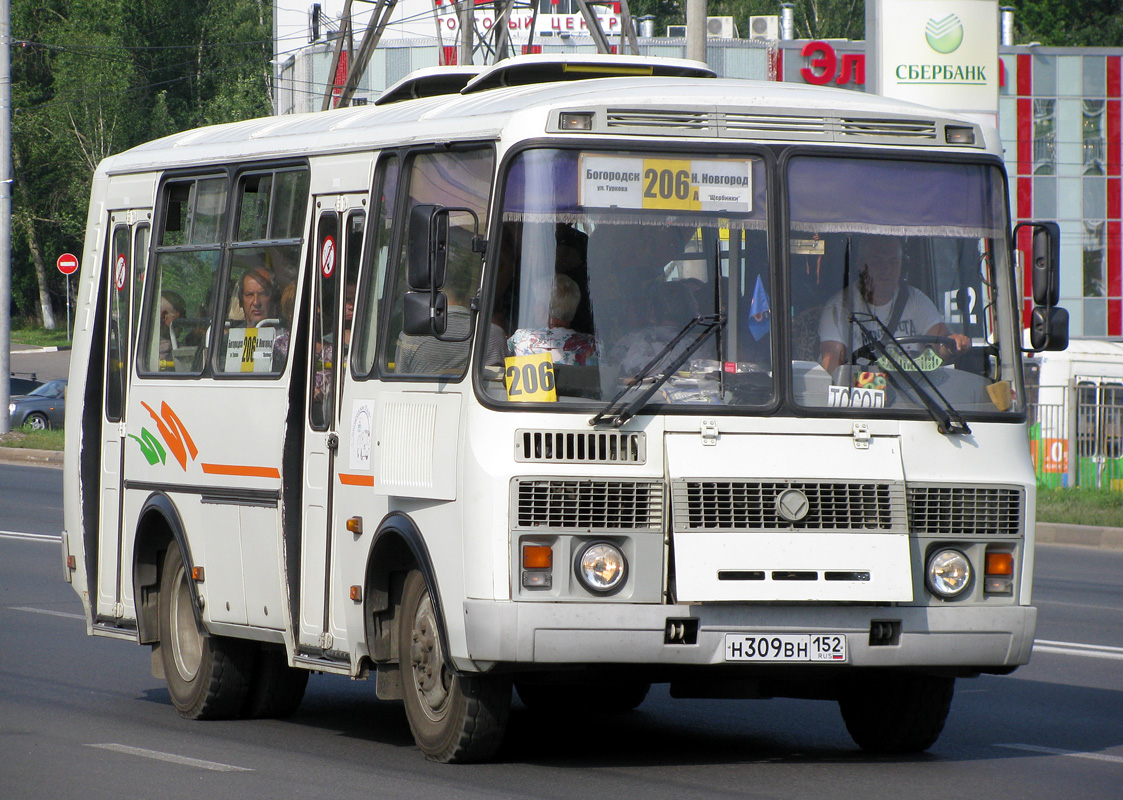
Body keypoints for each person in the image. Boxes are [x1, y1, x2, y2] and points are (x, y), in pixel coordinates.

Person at [818, 236, 970, 374]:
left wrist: (952, 345)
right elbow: (832, 362)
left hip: (914, 393)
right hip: (864, 394)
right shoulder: (839, 308)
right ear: (861, 264)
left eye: (893, 262)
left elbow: (939, 341)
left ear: (901, 264)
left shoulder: (915, 300)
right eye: (878, 262)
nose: (887, 269)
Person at [508, 274, 597, 366]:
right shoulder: (593, 345)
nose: (534, 308)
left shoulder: (522, 339)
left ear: (542, 308)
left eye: (535, 302)